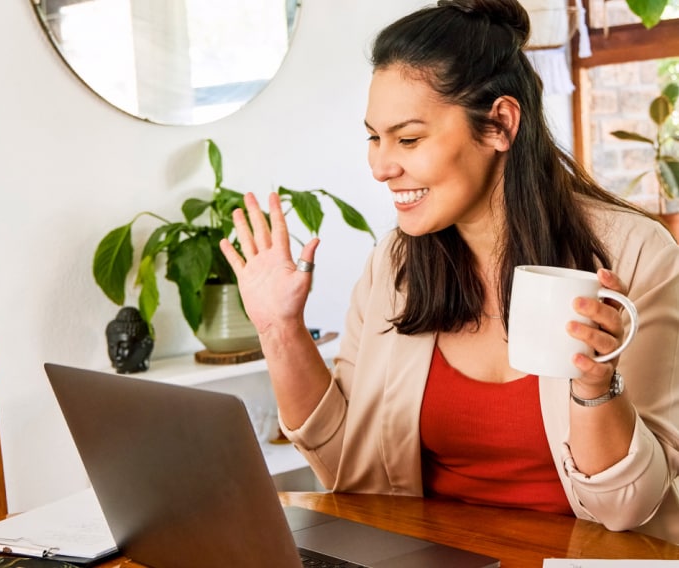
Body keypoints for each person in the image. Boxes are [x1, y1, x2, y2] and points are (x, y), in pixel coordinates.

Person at [220, 0, 679, 543]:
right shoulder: (395, 267)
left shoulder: (632, 254)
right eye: (374, 136)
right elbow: (348, 472)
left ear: (500, 125)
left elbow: (631, 509)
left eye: (408, 138)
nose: (380, 166)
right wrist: (281, 331)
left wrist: (597, 385)